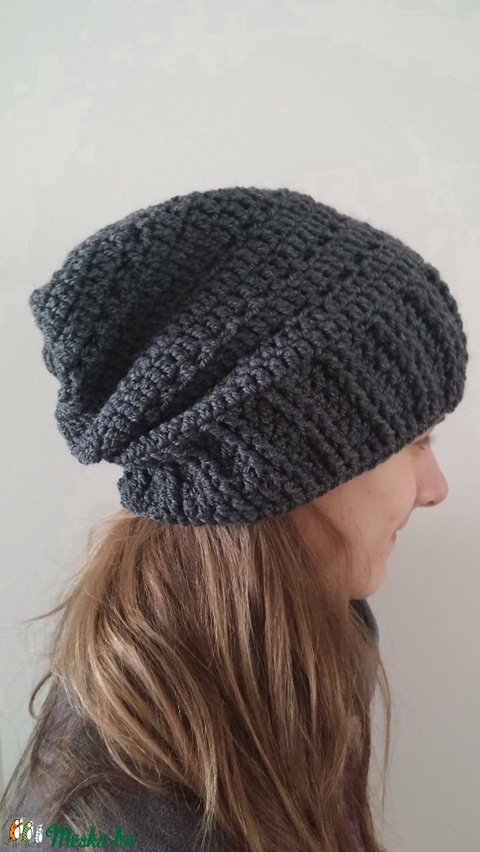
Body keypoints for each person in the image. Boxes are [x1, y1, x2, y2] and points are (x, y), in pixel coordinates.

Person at [0, 187, 468, 851]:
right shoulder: (92, 829)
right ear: (291, 463)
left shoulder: (317, 631)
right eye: (416, 443)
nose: (436, 488)